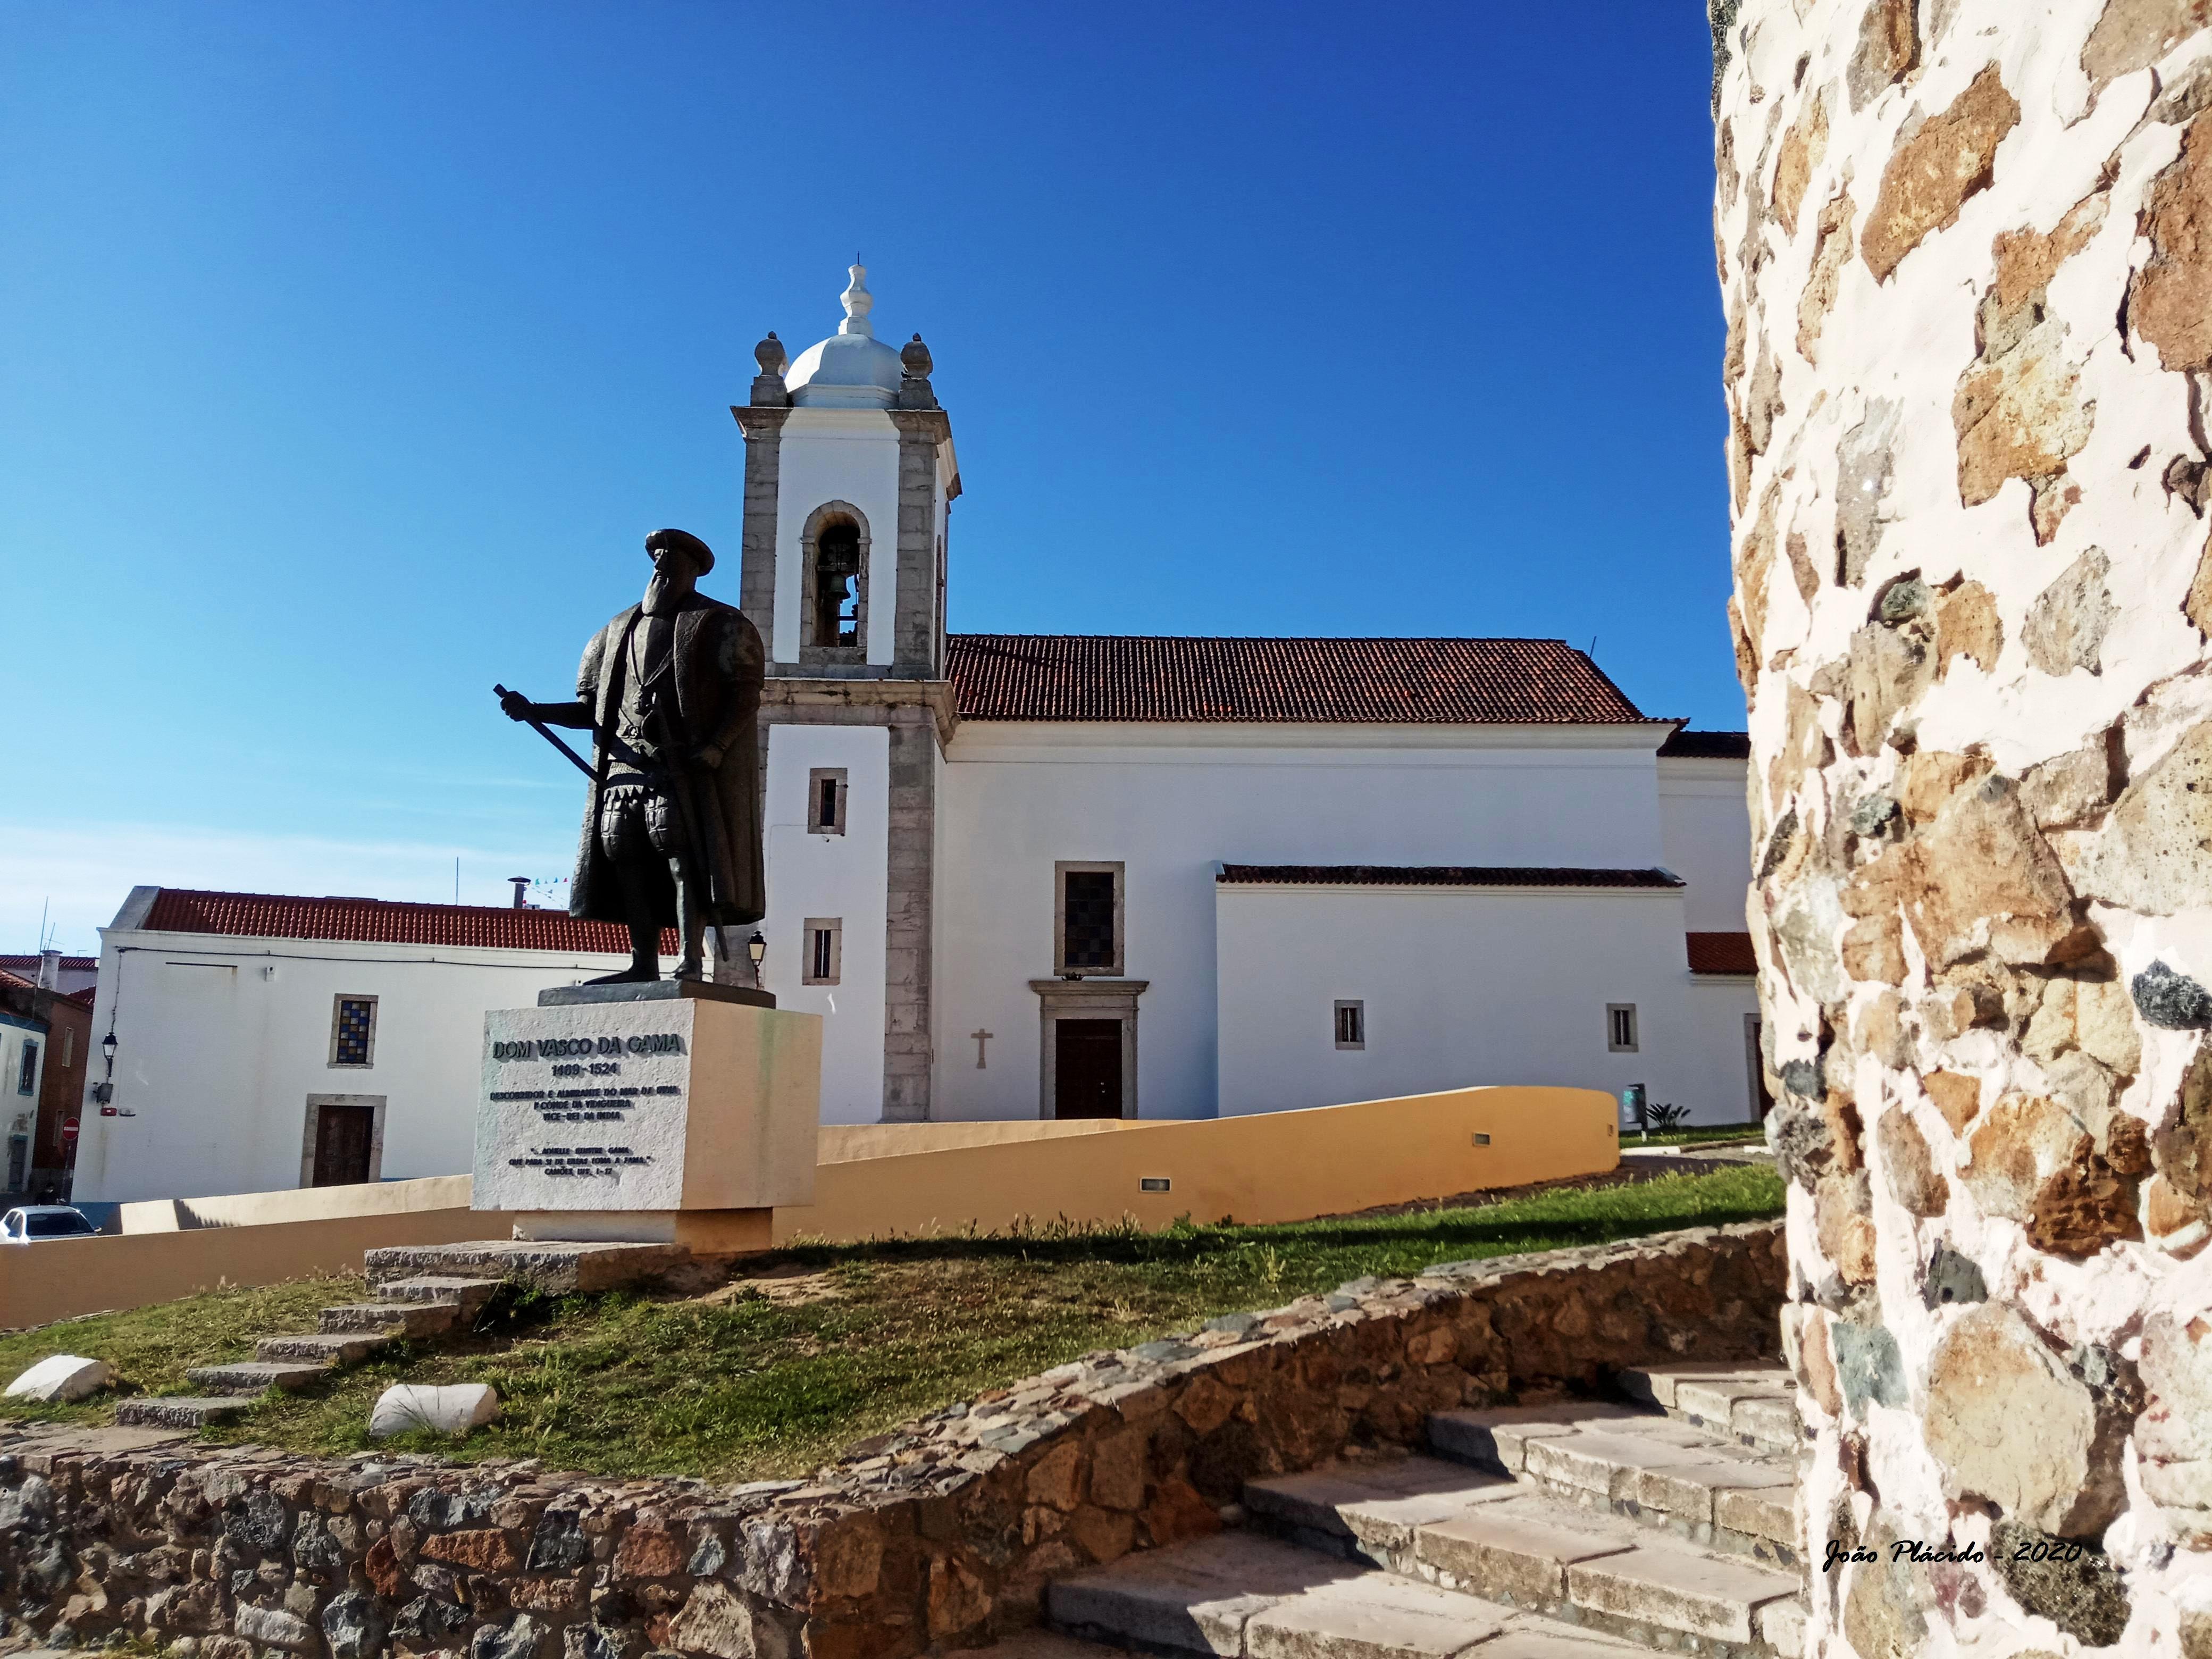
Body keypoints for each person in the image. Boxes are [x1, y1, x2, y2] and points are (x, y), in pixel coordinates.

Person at [500, 529, 765, 982]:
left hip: (679, 769)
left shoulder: (720, 623)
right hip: (622, 770)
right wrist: (536, 710)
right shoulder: (614, 631)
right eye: (656, 558)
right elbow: (590, 710)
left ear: (692, 570)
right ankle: (643, 963)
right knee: (625, 860)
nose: (660, 566)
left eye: (671, 559)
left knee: (683, 861)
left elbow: (745, 693)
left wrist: (718, 746)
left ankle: (690, 961)